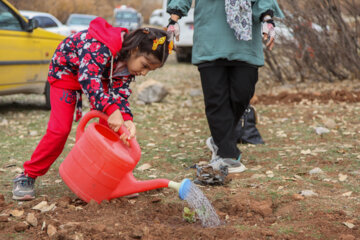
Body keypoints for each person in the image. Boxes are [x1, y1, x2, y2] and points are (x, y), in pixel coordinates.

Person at [12, 17, 173, 200]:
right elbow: (88, 79)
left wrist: (126, 119)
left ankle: (107, 178)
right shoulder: (102, 45)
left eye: (149, 70)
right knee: (60, 130)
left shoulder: (128, 64)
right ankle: (27, 175)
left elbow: (119, 93)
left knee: (111, 127)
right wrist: (111, 109)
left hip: (98, 78)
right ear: (134, 50)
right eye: (145, 65)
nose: (143, 72)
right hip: (66, 75)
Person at [167, 0, 284, 173]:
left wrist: (268, 20)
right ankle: (227, 153)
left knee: (242, 93)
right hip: (210, 38)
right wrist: (173, 21)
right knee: (216, 98)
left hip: (245, 42)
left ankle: (219, 139)